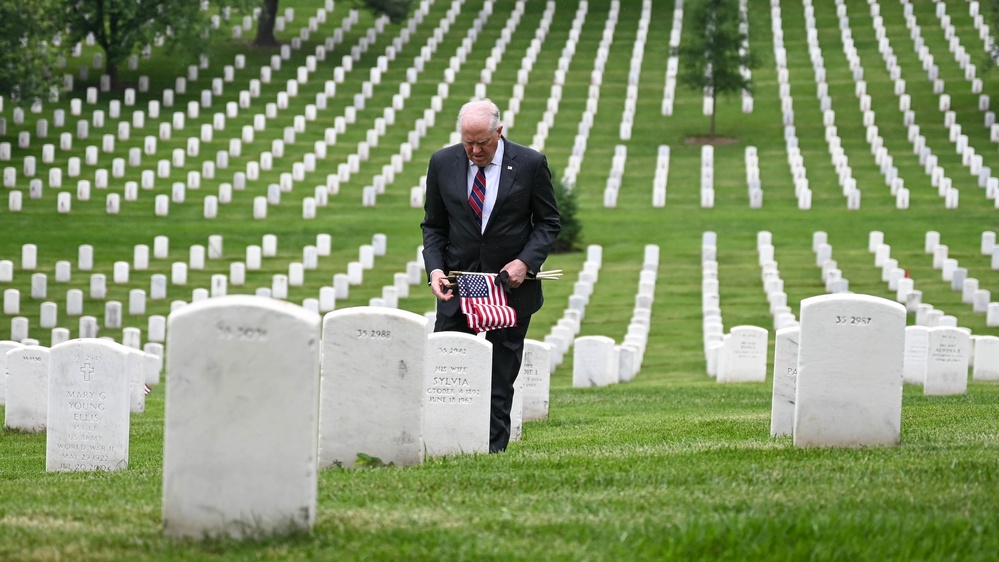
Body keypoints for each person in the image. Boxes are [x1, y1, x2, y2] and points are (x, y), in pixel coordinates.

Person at [421, 99, 561, 453]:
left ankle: (492, 452)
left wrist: (525, 262)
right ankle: (442, 447)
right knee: (449, 366)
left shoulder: (529, 164)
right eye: (468, 142)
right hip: (459, 287)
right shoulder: (442, 162)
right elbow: (434, 226)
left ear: (499, 131)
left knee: (500, 378)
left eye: (482, 142)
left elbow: (548, 222)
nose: (475, 150)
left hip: (509, 288)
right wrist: (434, 269)